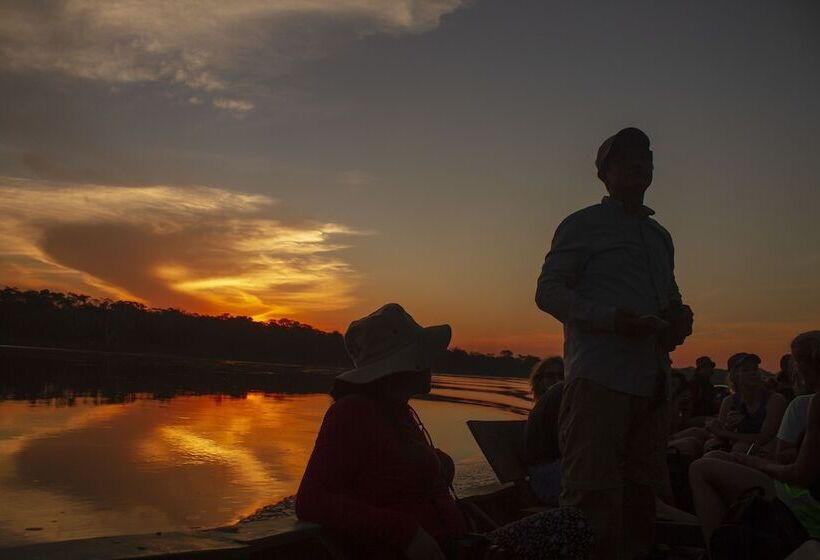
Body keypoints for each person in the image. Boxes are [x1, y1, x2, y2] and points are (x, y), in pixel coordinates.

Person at [296, 303, 592, 559]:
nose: (432, 363)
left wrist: (439, 463)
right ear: (406, 364)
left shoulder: (398, 413)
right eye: (424, 354)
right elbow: (312, 500)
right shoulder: (351, 413)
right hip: (425, 552)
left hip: (461, 545)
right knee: (573, 525)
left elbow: (393, 465)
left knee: (575, 522)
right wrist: (408, 533)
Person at [535, 127, 693, 559]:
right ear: (604, 173)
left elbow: (671, 298)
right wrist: (611, 320)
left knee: (643, 499)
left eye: (647, 156)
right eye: (626, 158)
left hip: (651, 386)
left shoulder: (661, 238)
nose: (640, 163)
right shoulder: (582, 224)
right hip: (599, 382)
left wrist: (679, 317)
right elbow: (548, 292)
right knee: (590, 499)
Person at [689, 331, 820, 550]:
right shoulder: (731, 401)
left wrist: (754, 462)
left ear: (808, 365)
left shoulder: (801, 402)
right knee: (713, 453)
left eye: (795, 362)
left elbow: (800, 475)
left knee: (700, 468)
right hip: (799, 488)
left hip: (808, 508)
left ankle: (720, 551)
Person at [703, 352, 788, 455]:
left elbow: (764, 438)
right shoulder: (729, 402)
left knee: (740, 448)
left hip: (768, 452)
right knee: (710, 444)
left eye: (755, 369)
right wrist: (726, 427)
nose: (753, 372)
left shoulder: (775, 400)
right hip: (737, 447)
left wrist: (725, 433)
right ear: (734, 376)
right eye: (745, 370)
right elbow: (718, 433)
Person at [524, 356, 564, 504]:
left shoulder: (558, 403)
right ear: (538, 381)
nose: (557, 380)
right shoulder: (557, 395)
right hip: (548, 479)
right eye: (551, 376)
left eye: (562, 375)